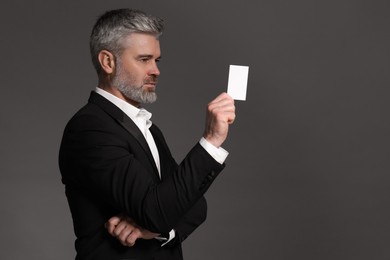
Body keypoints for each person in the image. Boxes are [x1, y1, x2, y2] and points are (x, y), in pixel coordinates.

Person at [59, 8, 235, 260]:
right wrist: (212, 140)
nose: (156, 70)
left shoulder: (147, 128)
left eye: (157, 60)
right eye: (144, 59)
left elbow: (195, 206)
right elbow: (157, 211)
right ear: (108, 62)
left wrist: (153, 230)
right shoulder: (90, 129)